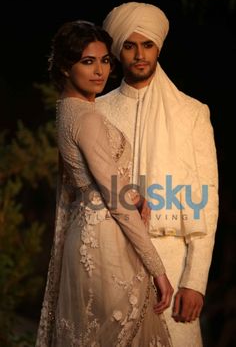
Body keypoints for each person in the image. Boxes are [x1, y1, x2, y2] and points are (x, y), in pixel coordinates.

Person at [35, 20, 174, 347]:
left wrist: (131, 192)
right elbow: (114, 201)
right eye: (88, 61)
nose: (100, 71)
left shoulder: (67, 110)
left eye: (104, 60)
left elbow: (89, 183)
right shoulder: (87, 118)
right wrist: (158, 269)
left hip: (85, 234)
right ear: (67, 68)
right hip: (106, 244)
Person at [97, 2, 219, 347]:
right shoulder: (98, 110)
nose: (139, 54)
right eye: (130, 45)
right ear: (117, 49)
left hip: (172, 257)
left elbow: (204, 201)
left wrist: (194, 280)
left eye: (147, 45)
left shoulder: (191, 113)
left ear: (158, 48)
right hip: (111, 259)